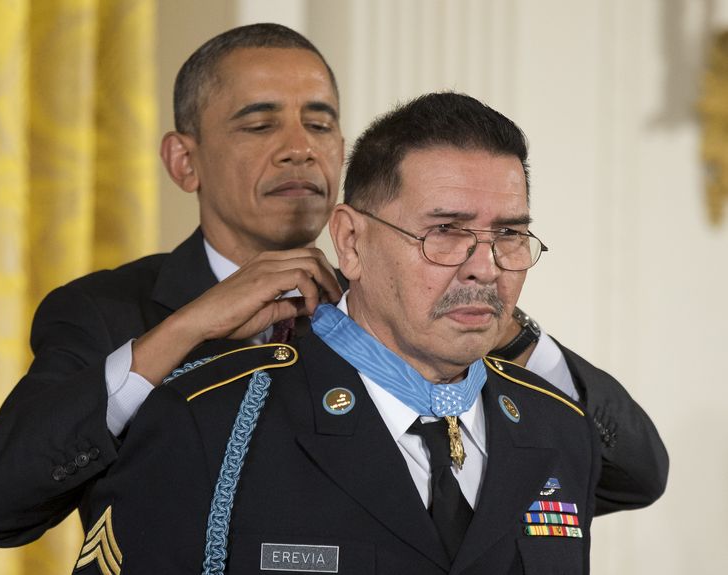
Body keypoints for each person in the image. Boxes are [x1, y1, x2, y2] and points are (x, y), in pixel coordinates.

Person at [0, 24, 666, 549]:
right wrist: (188, 329)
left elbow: (632, 471)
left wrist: (497, 318)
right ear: (183, 160)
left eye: (320, 122)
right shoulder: (111, 311)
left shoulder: (433, 296)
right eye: (259, 122)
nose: (300, 146)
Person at [72, 92, 601, 575]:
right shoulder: (211, 420)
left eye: (508, 234)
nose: (484, 267)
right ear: (350, 241)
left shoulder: (559, 429)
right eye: (446, 231)